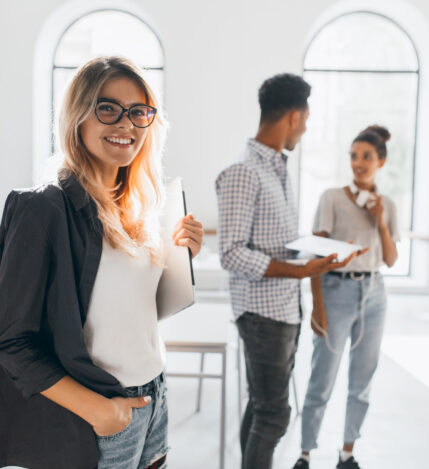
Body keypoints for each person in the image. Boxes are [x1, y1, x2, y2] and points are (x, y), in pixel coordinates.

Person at [0, 56, 203, 469]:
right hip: (97, 411)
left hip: (154, 401)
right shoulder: (42, 209)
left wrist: (182, 260)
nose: (125, 124)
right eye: (107, 108)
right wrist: (98, 410)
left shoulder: (142, 208)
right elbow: (11, 341)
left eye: (138, 112)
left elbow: (124, 313)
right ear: (78, 115)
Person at [215, 73, 360, 469]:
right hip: (261, 315)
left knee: (262, 408)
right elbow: (230, 254)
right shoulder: (243, 172)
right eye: (308, 119)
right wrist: (300, 272)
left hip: (281, 310)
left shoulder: (277, 169)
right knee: (275, 414)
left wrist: (319, 255)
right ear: (294, 117)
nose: (307, 127)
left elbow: (277, 238)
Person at [291, 125, 399, 469]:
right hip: (336, 290)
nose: (358, 163)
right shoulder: (331, 198)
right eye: (353, 156)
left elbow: (391, 259)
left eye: (366, 156)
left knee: (362, 379)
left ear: (380, 161)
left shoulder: (388, 205)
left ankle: (347, 453)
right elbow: (314, 255)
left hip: (374, 293)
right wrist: (318, 305)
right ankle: (305, 454)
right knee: (322, 377)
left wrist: (380, 221)